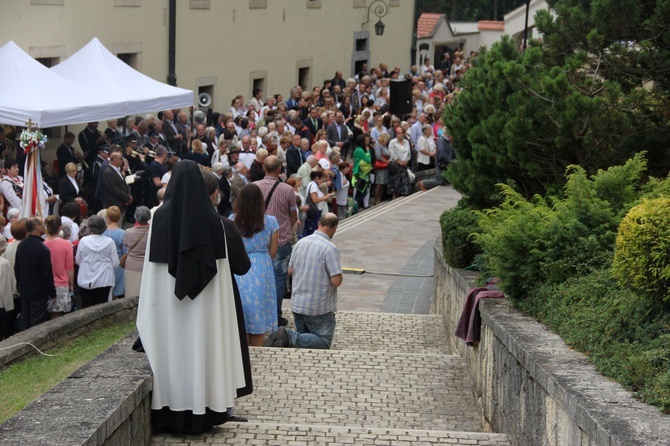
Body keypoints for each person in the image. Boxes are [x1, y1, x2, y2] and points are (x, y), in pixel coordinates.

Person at [136, 160, 252, 434]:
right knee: (203, 351)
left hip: (167, 306)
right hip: (206, 309)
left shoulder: (160, 219)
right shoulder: (215, 223)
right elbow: (222, 276)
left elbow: (152, 275)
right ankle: (205, 411)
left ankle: (168, 414)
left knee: (172, 355)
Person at [264, 213, 342, 349]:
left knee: (302, 342)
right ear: (335, 228)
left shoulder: (301, 243)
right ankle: (288, 336)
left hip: (298, 304)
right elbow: (336, 281)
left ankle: (290, 338)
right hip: (319, 307)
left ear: (319, 223)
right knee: (323, 342)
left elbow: (290, 270)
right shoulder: (330, 249)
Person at [231, 184, 279, 346]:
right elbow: (273, 250)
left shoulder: (232, 221)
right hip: (262, 268)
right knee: (258, 316)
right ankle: (258, 352)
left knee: (242, 313)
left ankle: (244, 355)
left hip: (239, 268)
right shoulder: (271, 222)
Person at [254, 155, 298, 327]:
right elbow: (293, 216)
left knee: (259, 277)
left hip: (258, 241)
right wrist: (285, 228)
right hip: (281, 241)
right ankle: (276, 314)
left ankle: (259, 311)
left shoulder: (254, 187)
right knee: (279, 278)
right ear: (280, 170)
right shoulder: (287, 190)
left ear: (264, 168)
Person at [14, 216, 56, 331]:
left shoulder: (22, 245)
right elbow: (47, 274)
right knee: (36, 321)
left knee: (25, 318)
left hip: (24, 289)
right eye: (43, 224)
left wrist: (19, 285)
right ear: (37, 227)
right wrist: (52, 293)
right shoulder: (42, 249)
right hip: (38, 291)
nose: (45, 226)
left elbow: (17, 268)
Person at [76, 215, 118, 308]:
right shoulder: (110, 242)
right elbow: (115, 263)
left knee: (86, 307)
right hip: (104, 279)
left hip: (86, 278)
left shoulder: (83, 241)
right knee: (102, 308)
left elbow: (78, 260)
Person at [43, 215, 73, 319]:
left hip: (45, 284)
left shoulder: (42, 244)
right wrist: (72, 284)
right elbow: (69, 268)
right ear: (60, 228)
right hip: (61, 283)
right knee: (58, 317)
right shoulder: (66, 244)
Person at [122, 206, 150, 298]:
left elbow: (125, 244)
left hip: (131, 265)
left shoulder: (128, 232)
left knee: (131, 292)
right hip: (147, 265)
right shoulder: (152, 232)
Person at [303, 169, 334, 237]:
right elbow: (315, 199)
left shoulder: (312, 184)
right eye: (322, 179)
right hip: (315, 211)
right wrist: (325, 197)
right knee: (313, 229)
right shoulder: (313, 186)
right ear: (317, 178)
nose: (323, 181)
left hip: (316, 210)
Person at [103, 206, 126, 299]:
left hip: (104, 264)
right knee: (118, 293)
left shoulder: (103, 232)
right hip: (119, 265)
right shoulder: (123, 233)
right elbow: (125, 251)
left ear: (108, 218)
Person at [388, 127, 413, 199]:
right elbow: (392, 154)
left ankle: (403, 194)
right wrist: (399, 162)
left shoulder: (406, 141)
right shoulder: (392, 142)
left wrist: (406, 161)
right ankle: (394, 196)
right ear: (396, 134)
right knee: (395, 181)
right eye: (399, 133)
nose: (401, 134)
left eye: (402, 133)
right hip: (395, 164)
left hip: (404, 163)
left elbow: (409, 153)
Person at [352, 134, 372, 210]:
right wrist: (368, 151)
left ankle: (356, 206)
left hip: (360, 172)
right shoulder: (360, 150)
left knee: (361, 191)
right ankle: (355, 207)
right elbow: (368, 160)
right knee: (362, 191)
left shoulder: (357, 149)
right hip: (361, 173)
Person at [373, 132, 391, 205]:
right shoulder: (378, 145)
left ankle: (379, 199)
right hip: (380, 166)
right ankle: (376, 199)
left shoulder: (385, 146)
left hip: (385, 167)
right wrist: (386, 161)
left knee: (383, 183)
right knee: (379, 184)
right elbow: (378, 156)